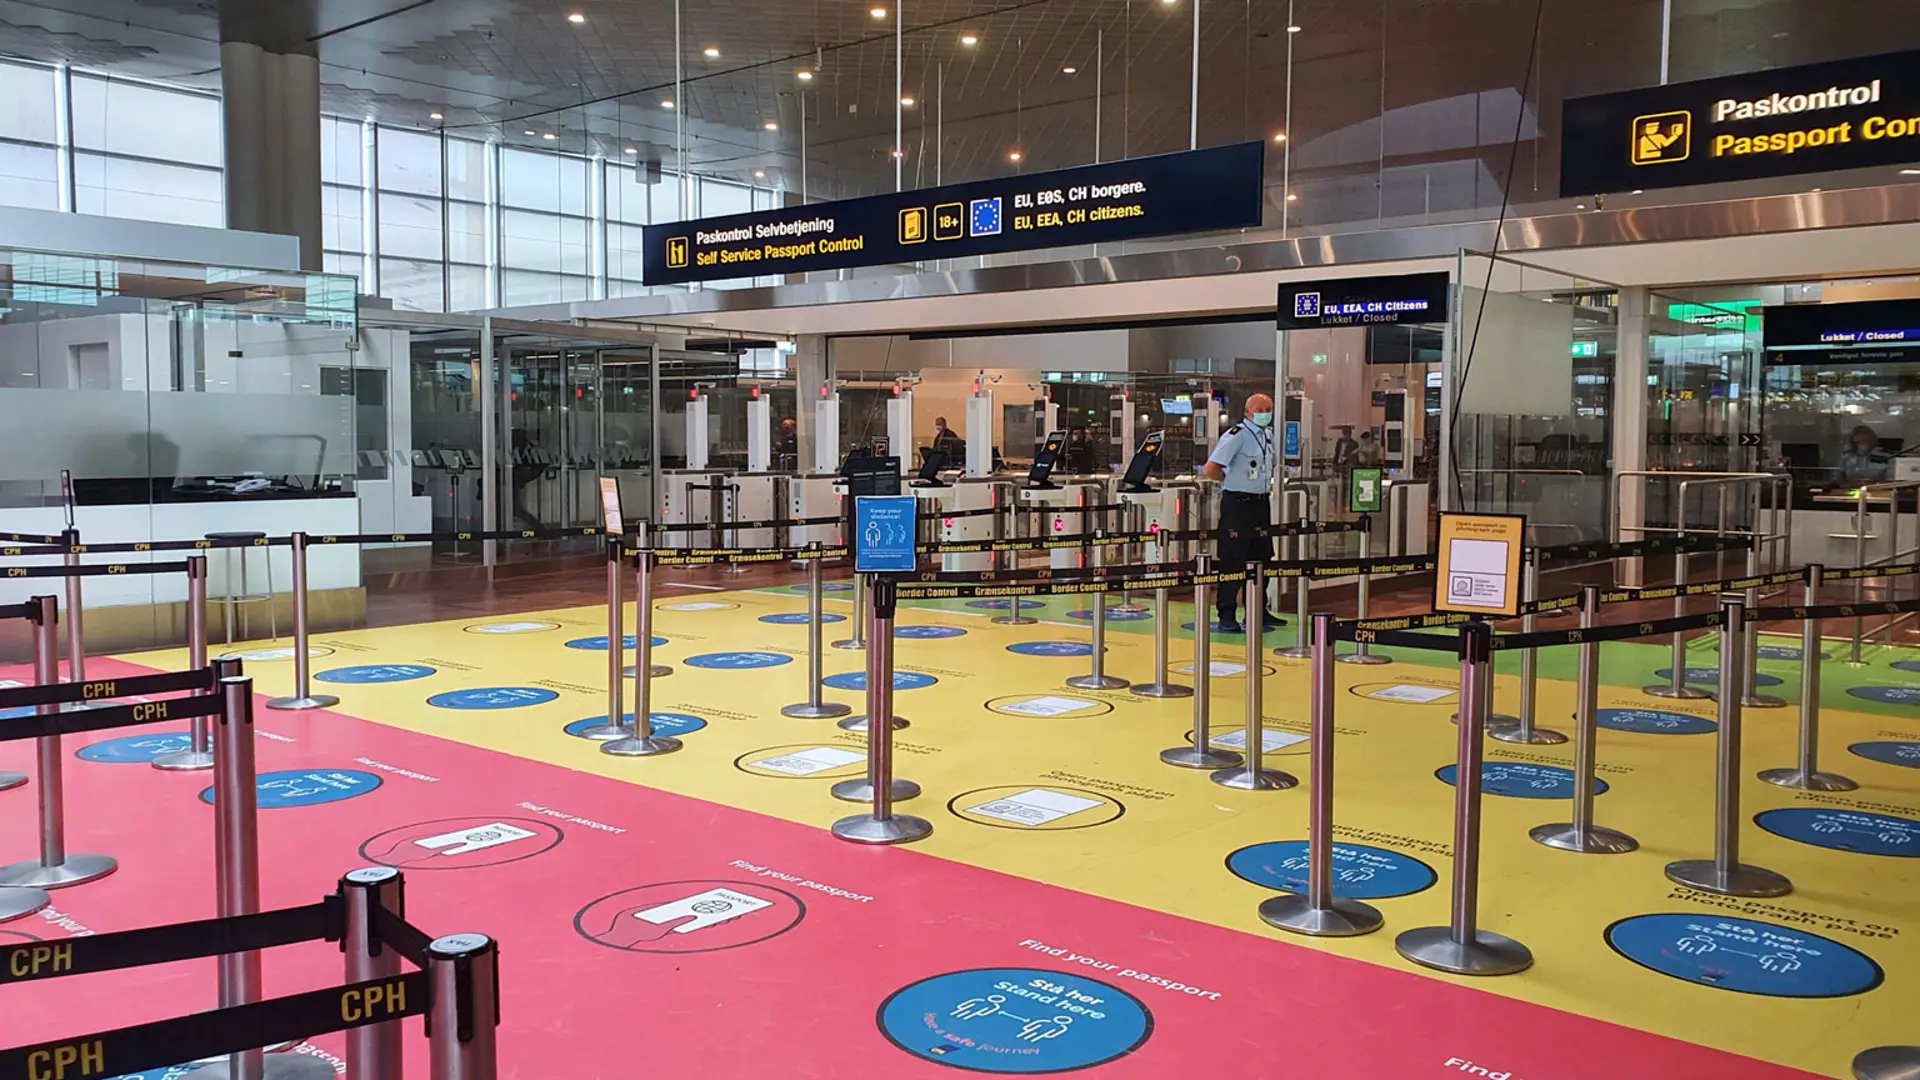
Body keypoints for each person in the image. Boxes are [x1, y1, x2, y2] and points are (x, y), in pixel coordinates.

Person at [1202, 393, 1280, 633]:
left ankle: (1258, 610)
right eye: (1260, 409)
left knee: (1262, 557)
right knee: (1233, 559)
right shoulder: (1236, 436)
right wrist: (1230, 482)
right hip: (1238, 504)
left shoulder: (1267, 436)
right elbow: (1211, 469)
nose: (1265, 412)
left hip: (1260, 503)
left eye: (1268, 408)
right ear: (1248, 412)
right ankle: (1226, 613)